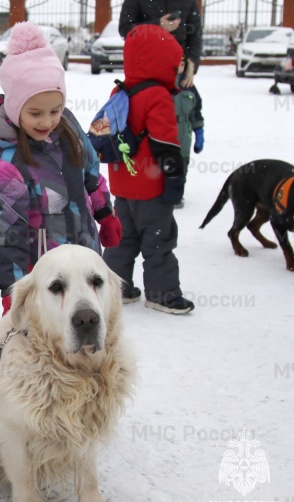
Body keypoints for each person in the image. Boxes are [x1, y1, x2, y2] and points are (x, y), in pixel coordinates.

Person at [0, 22, 122, 315]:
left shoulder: (68, 127)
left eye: (55, 110)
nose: (47, 121)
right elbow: (9, 231)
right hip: (46, 273)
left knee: (87, 323)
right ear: (15, 106)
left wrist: (104, 213)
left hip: (84, 253)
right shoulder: (8, 163)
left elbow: (91, 174)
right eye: (35, 113)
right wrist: (13, 289)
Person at [101, 25, 194, 315]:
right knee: (159, 240)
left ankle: (115, 289)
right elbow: (164, 142)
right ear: (162, 61)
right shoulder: (157, 96)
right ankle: (162, 294)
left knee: (122, 239)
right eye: (174, 63)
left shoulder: (120, 90)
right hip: (150, 188)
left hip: (122, 185)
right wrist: (175, 175)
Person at [118, 0, 202, 88]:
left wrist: (192, 62)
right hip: (145, 69)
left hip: (177, 68)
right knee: (150, 100)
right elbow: (125, 29)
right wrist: (157, 25)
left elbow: (195, 35)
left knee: (189, 100)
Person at [172, 55, 205, 208]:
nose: (179, 67)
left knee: (182, 164)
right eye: (177, 64)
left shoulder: (189, 86)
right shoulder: (161, 82)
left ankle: (177, 194)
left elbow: (196, 112)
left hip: (183, 132)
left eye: (183, 64)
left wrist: (199, 132)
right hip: (165, 130)